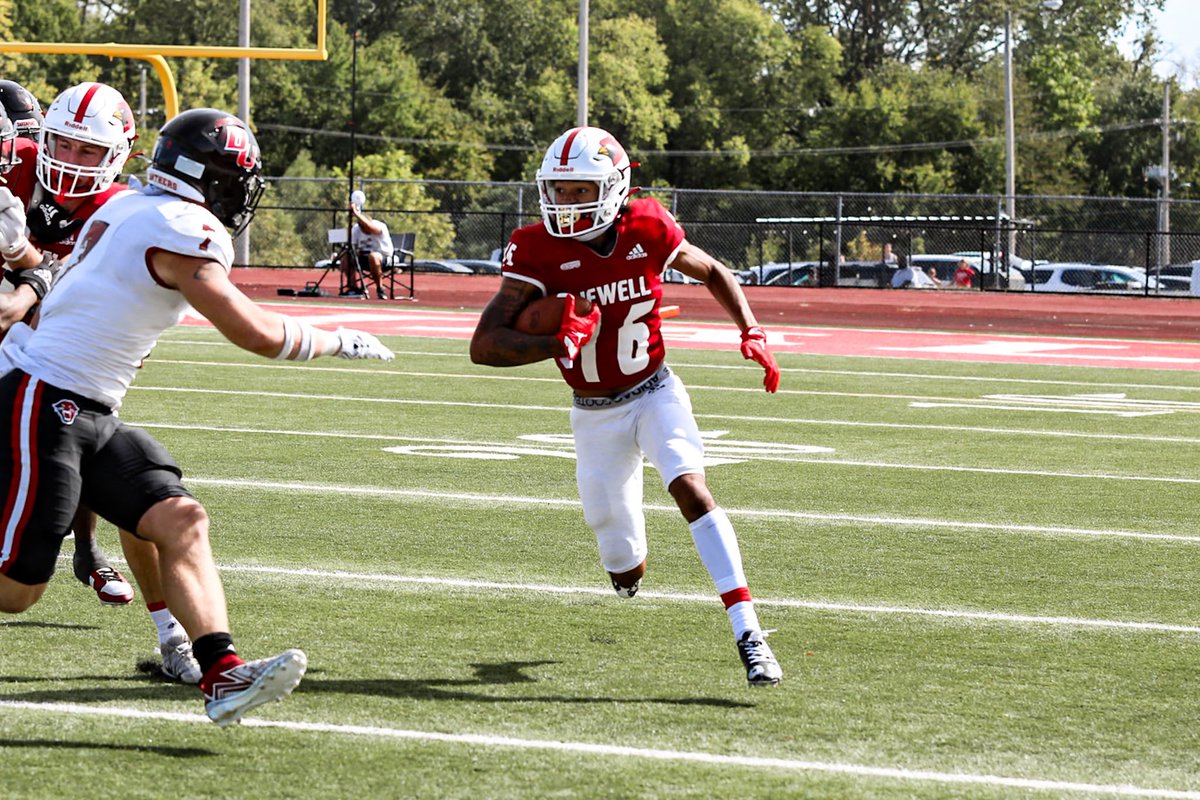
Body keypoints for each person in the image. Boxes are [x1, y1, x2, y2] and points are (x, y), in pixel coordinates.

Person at [0, 107, 395, 725]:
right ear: (216, 177)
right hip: (44, 395)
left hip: (88, 403)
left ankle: (222, 673)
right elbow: (258, 333)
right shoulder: (181, 227)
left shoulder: (129, 205)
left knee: (180, 519)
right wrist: (336, 338)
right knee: (17, 592)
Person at [470, 126, 783, 688]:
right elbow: (484, 346)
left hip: (656, 389)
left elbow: (713, 270)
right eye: (557, 190)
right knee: (620, 555)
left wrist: (751, 330)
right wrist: (554, 338)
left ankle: (749, 632)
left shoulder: (648, 224)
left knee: (690, 486)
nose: (564, 203)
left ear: (614, 186)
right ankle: (628, 573)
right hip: (593, 413)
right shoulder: (535, 250)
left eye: (579, 188)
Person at [339, 189, 393, 299]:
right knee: (346, 256)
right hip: (364, 258)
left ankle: (380, 289)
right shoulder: (357, 229)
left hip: (383, 257)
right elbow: (353, 246)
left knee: (373, 256)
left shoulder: (379, 226)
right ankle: (354, 288)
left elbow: (373, 229)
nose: (364, 230)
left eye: (365, 227)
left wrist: (356, 213)